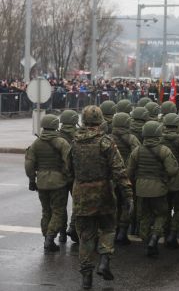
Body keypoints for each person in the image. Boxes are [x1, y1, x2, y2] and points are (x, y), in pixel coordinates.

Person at [70, 105, 134, 289]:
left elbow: (68, 169)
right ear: (100, 121)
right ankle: (104, 260)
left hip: (81, 193)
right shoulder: (105, 142)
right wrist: (128, 194)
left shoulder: (74, 142)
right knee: (107, 228)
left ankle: (86, 276)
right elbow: (119, 170)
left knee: (85, 236)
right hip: (103, 193)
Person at [127, 121, 179, 256]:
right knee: (161, 214)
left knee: (144, 216)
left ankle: (147, 240)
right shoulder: (164, 150)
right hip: (159, 188)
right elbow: (172, 170)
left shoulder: (137, 150)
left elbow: (129, 172)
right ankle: (155, 237)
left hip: (141, 189)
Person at [25, 114, 71, 252]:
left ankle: (46, 237)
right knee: (58, 211)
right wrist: (68, 176)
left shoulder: (36, 144)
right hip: (58, 182)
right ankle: (50, 238)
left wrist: (32, 180)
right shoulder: (62, 142)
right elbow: (68, 162)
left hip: (42, 182)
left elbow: (29, 164)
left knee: (46, 211)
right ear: (56, 125)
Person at [160, 113, 179, 248]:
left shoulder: (159, 139)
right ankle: (173, 233)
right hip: (178, 180)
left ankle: (165, 234)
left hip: (162, 180)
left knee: (165, 209)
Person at [110, 112, 141, 243]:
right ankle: (123, 231)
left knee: (113, 204)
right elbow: (137, 156)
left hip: (111, 177)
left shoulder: (107, 138)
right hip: (126, 176)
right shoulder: (132, 139)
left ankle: (113, 230)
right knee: (126, 204)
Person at [59, 109, 80, 243]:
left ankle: (62, 234)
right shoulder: (79, 135)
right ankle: (73, 228)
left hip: (60, 176)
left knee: (60, 206)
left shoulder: (56, 136)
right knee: (78, 205)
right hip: (75, 175)